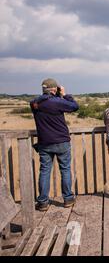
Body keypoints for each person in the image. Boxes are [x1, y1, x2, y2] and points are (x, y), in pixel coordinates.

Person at [30, 78, 79, 211]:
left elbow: (43, 101)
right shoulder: (58, 102)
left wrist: (56, 94)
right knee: (65, 170)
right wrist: (64, 94)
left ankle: (43, 202)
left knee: (45, 171)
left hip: (45, 143)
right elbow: (74, 106)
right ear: (54, 89)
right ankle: (68, 199)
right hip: (62, 142)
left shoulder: (34, 104)